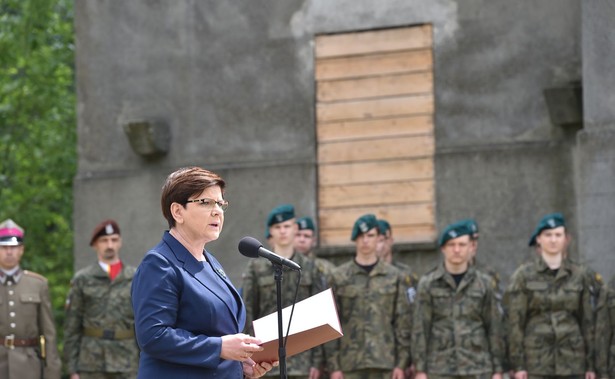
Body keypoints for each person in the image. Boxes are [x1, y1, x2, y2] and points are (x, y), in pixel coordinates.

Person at [130, 167, 276, 378]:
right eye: (206, 202)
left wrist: (240, 366)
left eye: (220, 203)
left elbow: (219, 334)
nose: (217, 210)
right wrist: (219, 348)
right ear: (177, 212)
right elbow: (153, 336)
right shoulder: (159, 263)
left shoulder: (210, 261)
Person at [505, 213, 595, 379]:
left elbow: (587, 321)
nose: (553, 240)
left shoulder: (579, 275)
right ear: (538, 239)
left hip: (573, 362)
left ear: (566, 239)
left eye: (558, 235)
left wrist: (591, 365)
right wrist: (517, 365)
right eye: (548, 235)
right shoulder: (524, 276)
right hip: (536, 363)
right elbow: (515, 322)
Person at [242, 204, 327, 379]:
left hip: (303, 360)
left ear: (295, 229)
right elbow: (248, 311)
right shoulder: (256, 267)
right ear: (270, 232)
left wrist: (317, 361)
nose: (282, 231)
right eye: (277, 227)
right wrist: (250, 356)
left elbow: (319, 314)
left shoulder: (309, 267)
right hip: (266, 360)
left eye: (287, 226)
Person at [411, 220, 504, 379]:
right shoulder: (428, 284)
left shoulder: (484, 283)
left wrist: (497, 370)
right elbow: (420, 328)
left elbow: (494, 327)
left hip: (478, 368)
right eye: (451, 245)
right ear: (443, 249)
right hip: (440, 369)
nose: (456, 250)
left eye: (462, 245)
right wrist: (420, 370)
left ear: (471, 247)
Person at [325, 214, 411, 379]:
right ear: (354, 240)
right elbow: (331, 323)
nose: (365, 241)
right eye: (361, 236)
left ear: (379, 238)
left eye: (370, 236)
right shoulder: (338, 277)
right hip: (349, 364)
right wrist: (333, 366)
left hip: (385, 362)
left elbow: (402, 322)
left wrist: (401, 363)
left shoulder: (394, 276)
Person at [64, 219, 140, 379]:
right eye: (104, 241)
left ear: (120, 242)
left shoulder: (135, 277)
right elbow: (72, 325)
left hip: (127, 361)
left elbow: (144, 322)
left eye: (114, 240)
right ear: (95, 244)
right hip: (91, 362)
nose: (110, 245)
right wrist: (72, 369)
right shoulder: (83, 279)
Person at [0, 218, 62, 379]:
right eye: (4, 247)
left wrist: (52, 371)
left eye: (13, 247)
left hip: (28, 365)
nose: (9, 252)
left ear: (21, 250)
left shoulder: (37, 284)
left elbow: (49, 333)